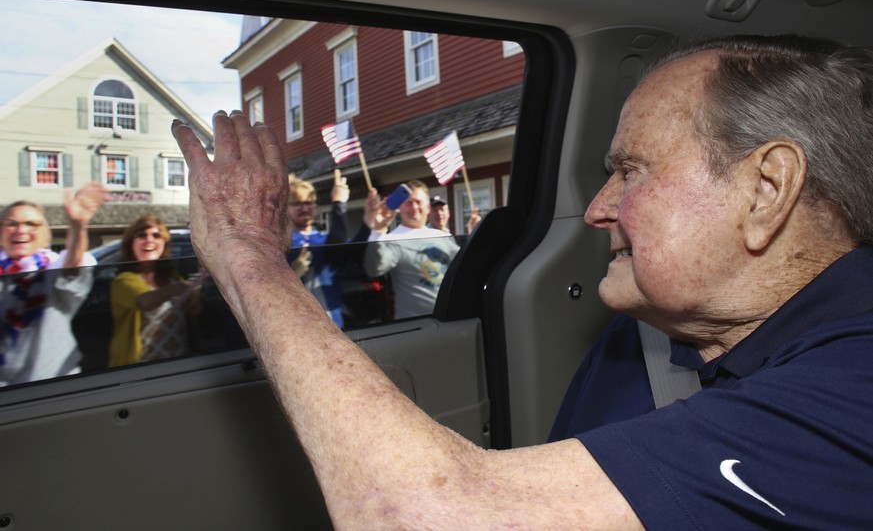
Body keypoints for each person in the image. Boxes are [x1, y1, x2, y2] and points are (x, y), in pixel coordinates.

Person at [172, 33, 873, 528]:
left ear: (765, 191)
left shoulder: (855, 386)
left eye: (630, 171)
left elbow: (432, 516)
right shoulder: (639, 344)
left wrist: (245, 254)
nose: (597, 209)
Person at [0, 182, 106, 386]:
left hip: (54, 387)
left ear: (45, 235)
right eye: (11, 223)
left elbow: (72, 268)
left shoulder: (52, 270)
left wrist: (77, 225)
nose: (21, 230)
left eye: (32, 224)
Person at [108, 215, 201, 366]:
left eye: (156, 235)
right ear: (130, 244)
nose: (149, 240)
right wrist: (176, 289)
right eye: (141, 235)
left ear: (164, 243)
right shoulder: (124, 281)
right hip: (140, 371)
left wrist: (193, 308)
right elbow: (143, 301)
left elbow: (189, 320)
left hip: (180, 365)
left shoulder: (172, 277)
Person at [362, 180, 460, 319]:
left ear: (427, 207)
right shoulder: (392, 239)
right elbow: (374, 268)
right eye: (408, 203)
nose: (414, 207)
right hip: (416, 325)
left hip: (452, 317)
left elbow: (465, 264)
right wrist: (377, 231)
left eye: (418, 202)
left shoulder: (441, 236)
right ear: (399, 207)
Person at [287, 169, 364, 329]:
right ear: (285, 208)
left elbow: (349, 248)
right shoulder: (282, 243)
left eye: (308, 203)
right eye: (297, 204)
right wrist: (293, 274)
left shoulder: (323, 239)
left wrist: (371, 225)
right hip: (297, 326)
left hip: (333, 323)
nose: (304, 208)